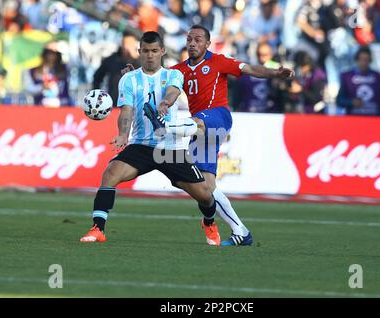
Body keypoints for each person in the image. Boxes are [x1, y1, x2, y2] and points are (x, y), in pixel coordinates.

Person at [152, 25, 294, 246]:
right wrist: (154, 91)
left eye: (198, 39)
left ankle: (167, 127)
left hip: (218, 116)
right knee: (205, 188)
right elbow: (167, 87)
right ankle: (241, 232)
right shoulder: (179, 70)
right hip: (199, 129)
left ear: (207, 44)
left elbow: (249, 69)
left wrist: (274, 73)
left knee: (197, 122)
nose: (192, 43)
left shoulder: (218, 61)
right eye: (189, 39)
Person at [80, 31, 219, 245]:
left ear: (162, 51)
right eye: (145, 51)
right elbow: (126, 110)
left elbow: (173, 92)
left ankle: (209, 222)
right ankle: (98, 228)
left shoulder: (173, 75)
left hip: (169, 148)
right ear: (139, 52)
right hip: (141, 145)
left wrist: (165, 103)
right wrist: (122, 135)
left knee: (205, 194)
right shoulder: (129, 79)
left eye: (154, 51)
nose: (150, 55)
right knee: (110, 173)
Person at [336, 46, 380, 116]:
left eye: (366, 60)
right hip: (354, 119)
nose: (363, 63)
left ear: (370, 61)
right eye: (361, 59)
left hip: (374, 119)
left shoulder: (379, 77)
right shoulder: (347, 77)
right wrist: (351, 102)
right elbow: (339, 101)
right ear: (357, 60)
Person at [93, 31, 141, 104]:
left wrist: (135, 58)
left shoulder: (141, 61)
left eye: (130, 44)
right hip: (115, 103)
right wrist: (98, 97)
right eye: (126, 44)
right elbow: (97, 77)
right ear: (122, 44)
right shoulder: (111, 60)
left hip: (136, 104)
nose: (127, 47)